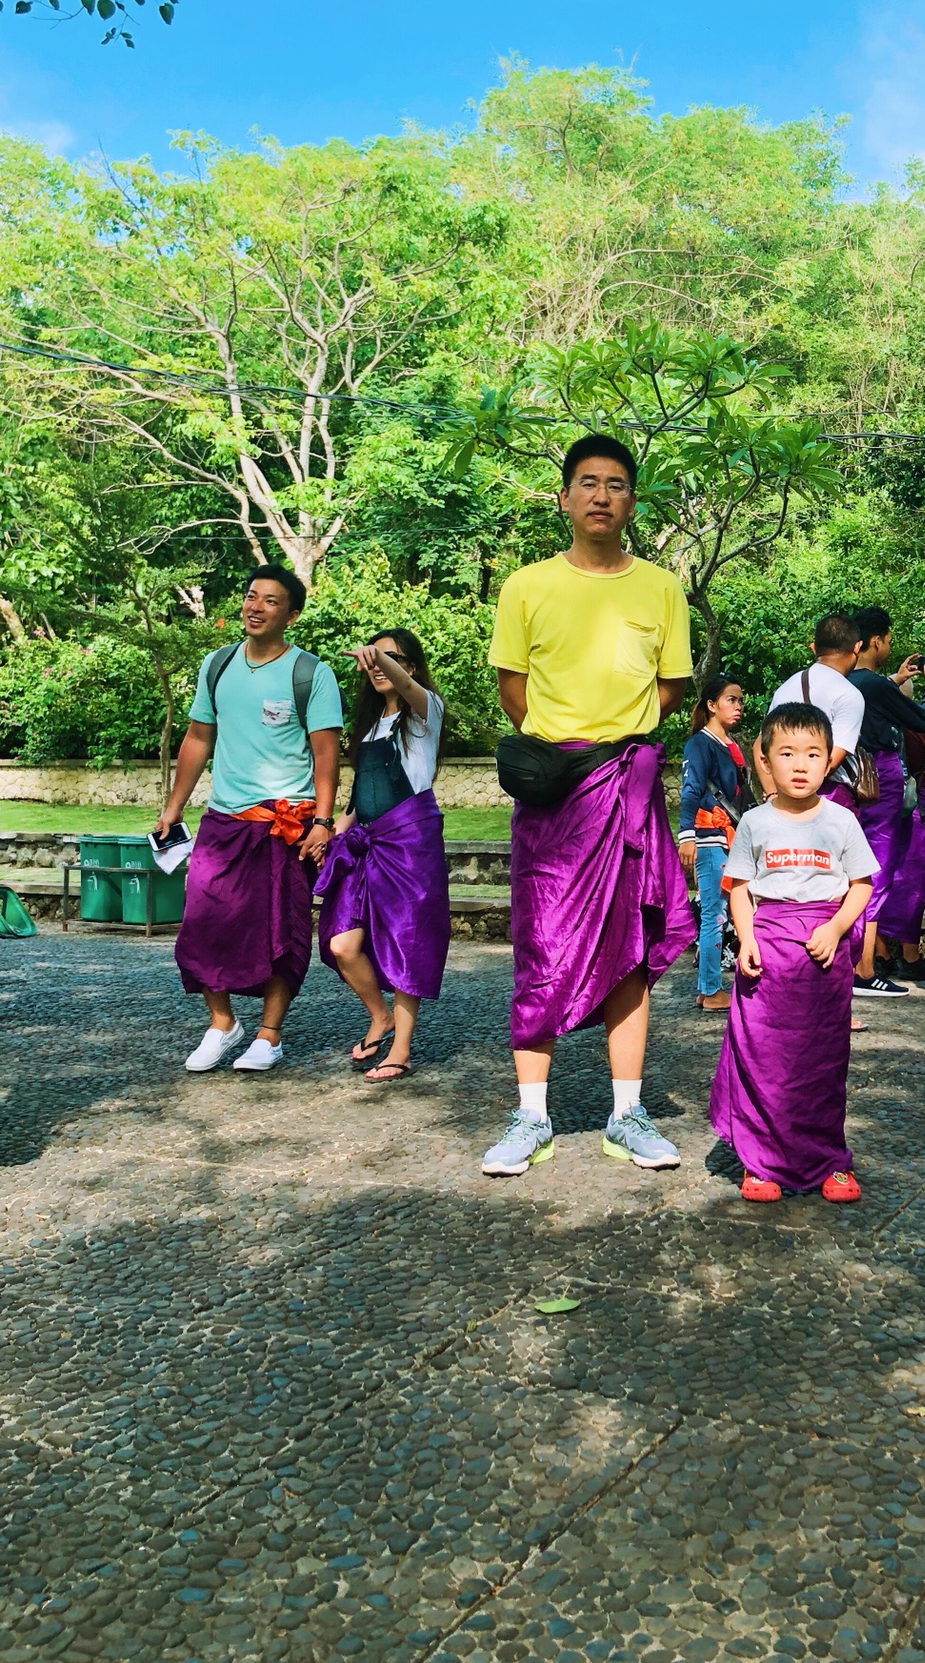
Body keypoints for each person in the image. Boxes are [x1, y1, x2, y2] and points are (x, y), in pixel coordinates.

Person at [481, 434, 695, 1177]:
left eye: (616, 485)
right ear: (565, 497)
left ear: (632, 501)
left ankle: (626, 1113)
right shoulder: (526, 586)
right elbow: (514, 690)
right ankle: (531, 1116)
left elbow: (669, 690)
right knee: (540, 943)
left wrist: (611, 740)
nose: (602, 495)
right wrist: (563, 744)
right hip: (553, 792)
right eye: (588, 483)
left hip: (626, 785)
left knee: (632, 948)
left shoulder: (661, 587)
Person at [161, 565, 344, 1073]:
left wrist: (323, 822)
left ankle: (269, 1033)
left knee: (280, 932)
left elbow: (326, 754)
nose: (254, 607)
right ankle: (222, 1023)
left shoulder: (311, 673)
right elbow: (199, 738)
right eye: (249, 596)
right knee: (200, 925)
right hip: (223, 820)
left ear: (292, 613)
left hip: (286, 823)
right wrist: (174, 807)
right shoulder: (217, 665)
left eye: (269, 600)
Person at [709, 703, 877, 1203]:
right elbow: (737, 888)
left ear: (829, 762)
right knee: (766, 1059)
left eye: (812, 754)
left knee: (822, 1061)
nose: (800, 765)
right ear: (765, 759)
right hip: (768, 954)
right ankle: (761, 1163)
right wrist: (747, 939)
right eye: (787, 753)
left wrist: (836, 928)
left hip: (824, 960)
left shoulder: (842, 821)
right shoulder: (757, 823)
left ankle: (830, 1160)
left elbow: (862, 885)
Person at [314, 631, 449, 1081]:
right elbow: (358, 797)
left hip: (411, 843)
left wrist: (378, 658)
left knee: (407, 942)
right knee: (342, 944)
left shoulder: (426, 712)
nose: (377, 666)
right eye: (372, 659)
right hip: (368, 842)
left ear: (410, 667)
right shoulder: (371, 728)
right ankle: (380, 1015)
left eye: (389, 659)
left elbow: (412, 691)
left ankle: (401, 1051)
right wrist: (331, 834)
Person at [847, 607, 925, 996]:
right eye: (887, 639)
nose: (888, 646)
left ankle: (861, 958)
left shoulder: (847, 681)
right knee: (878, 871)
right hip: (881, 780)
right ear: (875, 641)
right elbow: (922, 719)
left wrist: (896, 679)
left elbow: (874, 693)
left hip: (852, 780)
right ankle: (865, 968)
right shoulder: (873, 685)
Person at [678, 671, 749, 1013]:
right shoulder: (700, 743)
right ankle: (710, 988)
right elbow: (691, 790)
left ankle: (708, 988)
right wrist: (687, 835)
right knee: (714, 915)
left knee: (720, 913)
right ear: (711, 705)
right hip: (709, 840)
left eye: (740, 700)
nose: (738, 707)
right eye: (731, 700)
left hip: (727, 838)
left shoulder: (729, 745)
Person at [759, 614, 866, 809]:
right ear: (857, 647)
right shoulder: (849, 694)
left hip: (783, 796)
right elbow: (832, 759)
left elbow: (761, 744)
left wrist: (773, 793)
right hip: (831, 798)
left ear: (813, 648)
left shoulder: (786, 687)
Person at [877, 724, 925, 981]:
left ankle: (880, 955)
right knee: (913, 883)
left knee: (879, 877)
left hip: (878, 804)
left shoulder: (872, 727)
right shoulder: (918, 727)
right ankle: (910, 957)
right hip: (913, 804)